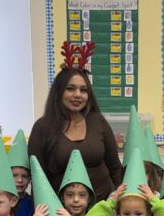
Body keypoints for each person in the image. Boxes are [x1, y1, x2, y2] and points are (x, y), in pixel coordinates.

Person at [28, 47, 122, 201]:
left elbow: (115, 168)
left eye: (83, 90)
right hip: (62, 210)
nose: (78, 95)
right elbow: (38, 178)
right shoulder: (42, 128)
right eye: (70, 89)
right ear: (59, 92)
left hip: (104, 206)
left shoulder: (98, 121)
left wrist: (121, 201)